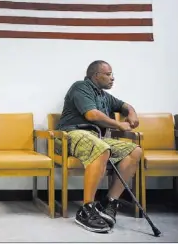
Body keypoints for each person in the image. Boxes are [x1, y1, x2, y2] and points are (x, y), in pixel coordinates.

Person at [55, 60, 142, 233]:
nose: (112, 78)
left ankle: (109, 203)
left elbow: (125, 105)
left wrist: (132, 113)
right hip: (72, 134)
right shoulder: (80, 87)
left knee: (135, 151)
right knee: (101, 148)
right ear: (96, 75)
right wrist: (119, 125)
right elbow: (92, 114)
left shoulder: (104, 95)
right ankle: (86, 209)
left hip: (96, 137)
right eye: (108, 74)